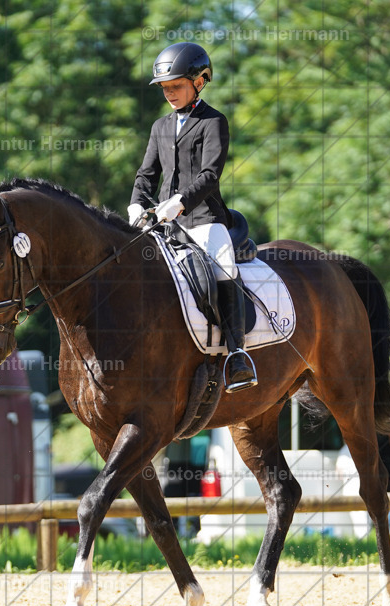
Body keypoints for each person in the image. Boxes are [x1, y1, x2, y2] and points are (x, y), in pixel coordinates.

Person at [128, 42, 256, 393]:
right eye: (165, 88)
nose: (169, 93)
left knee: (222, 266)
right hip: (163, 224)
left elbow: (210, 175)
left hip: (204, 219)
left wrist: (179, 202)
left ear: (199, 81)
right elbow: (146, 175)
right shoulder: (160, 127)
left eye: (176, 86)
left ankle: (237, 354)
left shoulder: (213, 122)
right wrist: (137, 203)